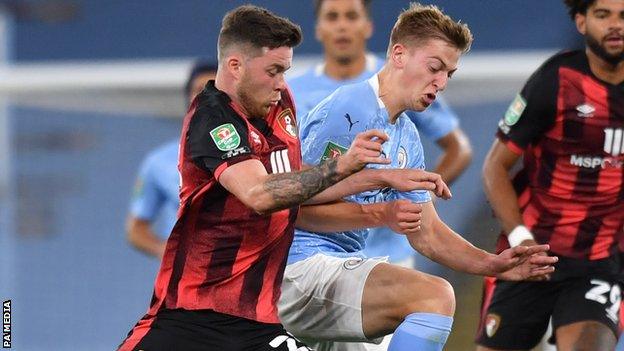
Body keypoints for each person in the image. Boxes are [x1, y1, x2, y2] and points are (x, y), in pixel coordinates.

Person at [117, 5, 454, 351]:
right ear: (236, 66)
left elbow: (298, 180)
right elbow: (261, 194)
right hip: (192, 317)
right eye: (274, 71)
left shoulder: (281, 105)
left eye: (285, 71)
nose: (282, 83)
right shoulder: (212, 118)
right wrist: (345, 167)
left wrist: (377, 180)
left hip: (257, 320)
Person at [278, 4, 559, 351]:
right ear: (398, 54)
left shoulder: (406, 136)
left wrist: (492, 264)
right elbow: (291, 207)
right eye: (434, 67)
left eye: (449, 74)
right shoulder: (349, 110)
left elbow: (427, 232)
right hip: (297, 268)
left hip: (334, 272)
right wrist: (381, 199)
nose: (440, 82)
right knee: (433, 296)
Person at [476, 0, 624, 350]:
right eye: (603, 15)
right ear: (581, 22)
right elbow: (494, 167)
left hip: (599, 262)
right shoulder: (556, 81)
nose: (616, 25)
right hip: (533, 255)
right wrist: (520, 237)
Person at [289, 0, 473, 265]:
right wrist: (381, 201)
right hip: (316, 248)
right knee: (434, 295)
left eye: (352, 16)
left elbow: (459, 148)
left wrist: (419, 200)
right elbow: (292, 185)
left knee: (429, 296)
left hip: (387, 247)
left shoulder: (412, 77)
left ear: (368, 26)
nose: (342, 26)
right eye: (332, 17)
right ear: (317, 29)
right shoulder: (294, 90)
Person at [126, 61, 217, 259]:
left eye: (215, 89)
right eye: (199, 90)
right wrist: (170, 256)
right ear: (188, 98)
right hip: (186, 280)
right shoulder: (159, 161)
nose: (206, 96)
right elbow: (137, 229)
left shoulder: (252, 151)